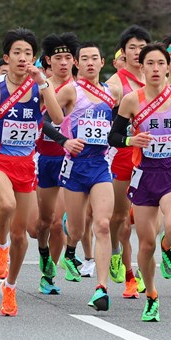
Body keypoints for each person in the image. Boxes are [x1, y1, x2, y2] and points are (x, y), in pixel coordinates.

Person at [108, 43, 171, 322]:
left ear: (168, 67)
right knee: (144, 245)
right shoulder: (132, 100)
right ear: (141, 68)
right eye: (149, 64)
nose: (155, 68)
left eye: (160, 63)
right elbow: (113, 136)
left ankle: (169, 247)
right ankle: (152, 295)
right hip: (144, 176)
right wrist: (131, 140)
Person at [0, 28, 64, 316]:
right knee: (5, 204)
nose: (23, 58)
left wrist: (43, 82)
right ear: (6, 57)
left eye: (28, 54)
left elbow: (58, 118)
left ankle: (9, 287)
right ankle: (0, 244)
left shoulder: (40, 86)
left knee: (25, 234)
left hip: (26, 164)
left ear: (35, 58)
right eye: (17, 53)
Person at [54, 42, 122, 309]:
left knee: (103, 224)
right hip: (74, 166)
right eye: (85, 59)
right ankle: (71, 249)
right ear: (76, 64)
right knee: (77, 229)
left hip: (100, 165)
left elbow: (121, 122)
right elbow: (44, 119)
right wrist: (64, 142)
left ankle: (101, 288)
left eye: (95, 58)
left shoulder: (112, 93)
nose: (90, 63)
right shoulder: (71, 91)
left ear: (102, 62)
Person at [106, 25, 151, 295]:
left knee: (150, 218)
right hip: (124, 155)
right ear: (123, 52)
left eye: (142, 46)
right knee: (120, 216)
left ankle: (144, 267)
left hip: (155, 156)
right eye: (132, 47)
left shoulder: (160, 79)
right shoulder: (114, 85)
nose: (138, 52)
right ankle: (119, 257)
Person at [33, 32, 79, 295]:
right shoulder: (40, 86)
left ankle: (51, 273)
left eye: (68, 58)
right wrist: (61, 140)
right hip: (43, 156)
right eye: (58, 58)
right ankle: (43, 252)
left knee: (61, 221)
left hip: (71, 158)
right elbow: (42, 122)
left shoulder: (82, 88)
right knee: (43, 222)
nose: (63, 63)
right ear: (48, 61)